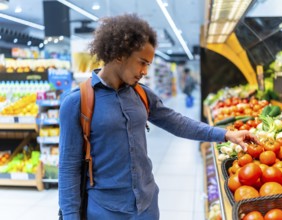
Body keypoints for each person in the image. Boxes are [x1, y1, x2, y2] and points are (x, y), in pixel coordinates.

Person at [58, 14, 259, 220]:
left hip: (146, 206)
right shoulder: (77, 102)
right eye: (142, 63)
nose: (145, 71)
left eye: (149, 65)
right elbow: (68, 168)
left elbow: (177, 122)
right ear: (119, 54)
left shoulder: (141, 94)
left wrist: (226, 134)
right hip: (105, 211)